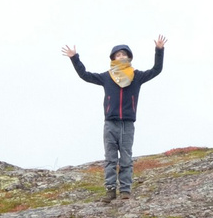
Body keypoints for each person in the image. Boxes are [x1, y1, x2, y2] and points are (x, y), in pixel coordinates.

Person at [62, 36, 166, 201]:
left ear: (129, 57)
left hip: (127, 124)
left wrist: (159, 50)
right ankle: (110, 190)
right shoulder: (106, 77)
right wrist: (74, 58)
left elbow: (156, 70)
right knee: (110, 159)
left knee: (126, 158)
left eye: (124, 54)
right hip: (110, 123)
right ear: (113, 58)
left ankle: (125, 191)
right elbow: (85, 75)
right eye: (118, 55)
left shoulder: (137, 76)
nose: (121, 57)